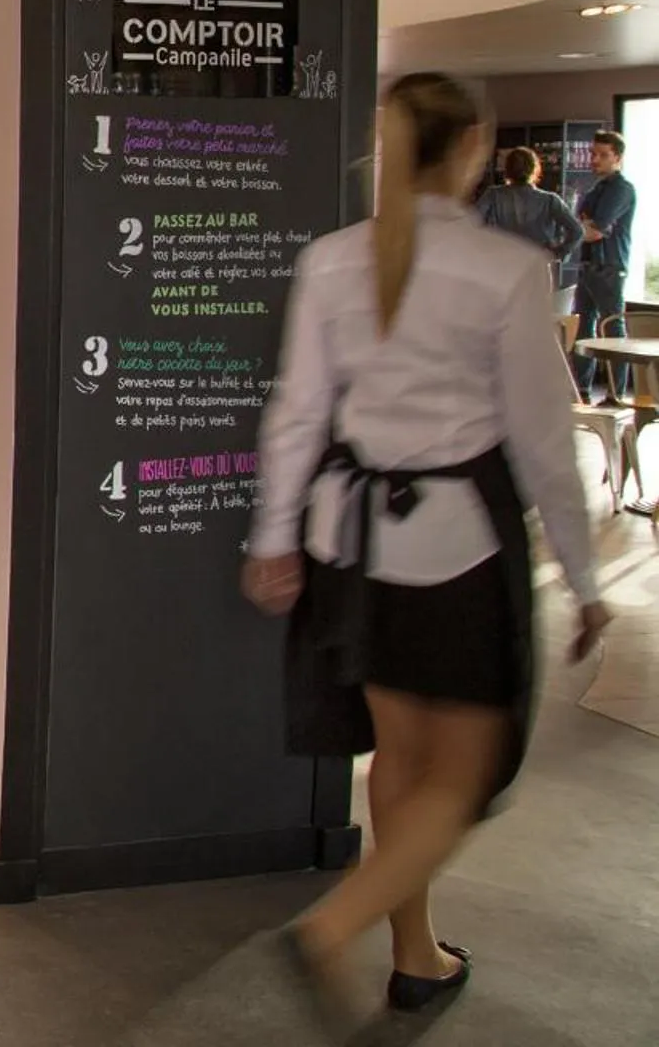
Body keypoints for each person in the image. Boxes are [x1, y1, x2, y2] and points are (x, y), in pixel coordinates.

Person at [249, 72, 608, 1029]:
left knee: (401, 762)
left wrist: (274, 538)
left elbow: (297, 413)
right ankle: (339, 928)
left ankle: (418, 954)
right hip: (455, 551)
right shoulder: (506, 271)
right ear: (472, 149)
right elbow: (543, 443)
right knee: (467, 770)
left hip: (348, 546)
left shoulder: (330, 260)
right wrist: (585, 576)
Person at [476, 147, 583, 312]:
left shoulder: (493, 195)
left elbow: (472, 222)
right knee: (535, 317)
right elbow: (577, 231)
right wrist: (558, 253)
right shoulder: (549, 200)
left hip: (502, 265)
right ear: (535, 169)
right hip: (537, 266)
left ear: (507, 170)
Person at [572, 130, 635, 400]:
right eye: (593, 154)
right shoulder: (596, 188)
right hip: (588, 265)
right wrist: (583, 225)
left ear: (617, 158)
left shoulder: (621, 189)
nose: (594, 159)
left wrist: (584, 225)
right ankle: (582, 390)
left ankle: (616, 393)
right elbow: (581, 222)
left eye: (602, 155)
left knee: (612, 330)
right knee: (583, 330)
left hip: (609, 267)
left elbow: (594, 230)